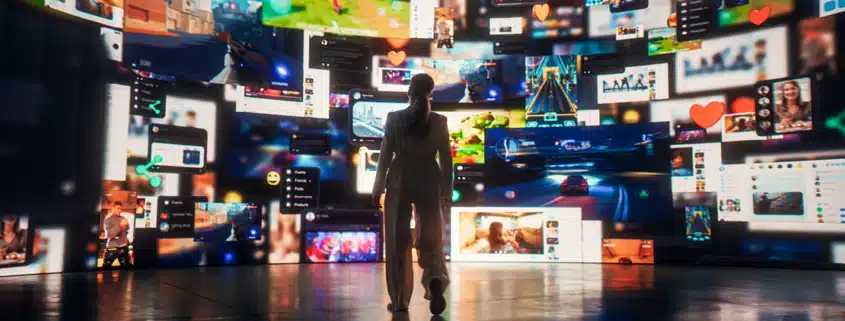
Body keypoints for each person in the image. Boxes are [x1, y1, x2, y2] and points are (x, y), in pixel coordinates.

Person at [372, 73, 451, 315]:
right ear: (431, 93)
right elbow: (447, 160)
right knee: (431, 238)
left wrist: (377, 188)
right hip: (429, 178)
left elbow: (385, 156)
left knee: (397, 240)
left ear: (409, 90)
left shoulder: (394, 119)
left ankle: (399, 301)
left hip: (399, 178)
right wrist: (447, 191)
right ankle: (435, 280)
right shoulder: (439, 121)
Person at [103, 202, 133, 267]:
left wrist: (126, 225)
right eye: (118, 208)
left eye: (121, 209)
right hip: (112, 247)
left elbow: (127, 229)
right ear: (113, 208)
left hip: (123, 246)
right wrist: (120, 225)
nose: (120, 210)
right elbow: (109, 235)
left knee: (128, 269)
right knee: (106, 269)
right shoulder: (108, 219)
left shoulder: (123, 218)